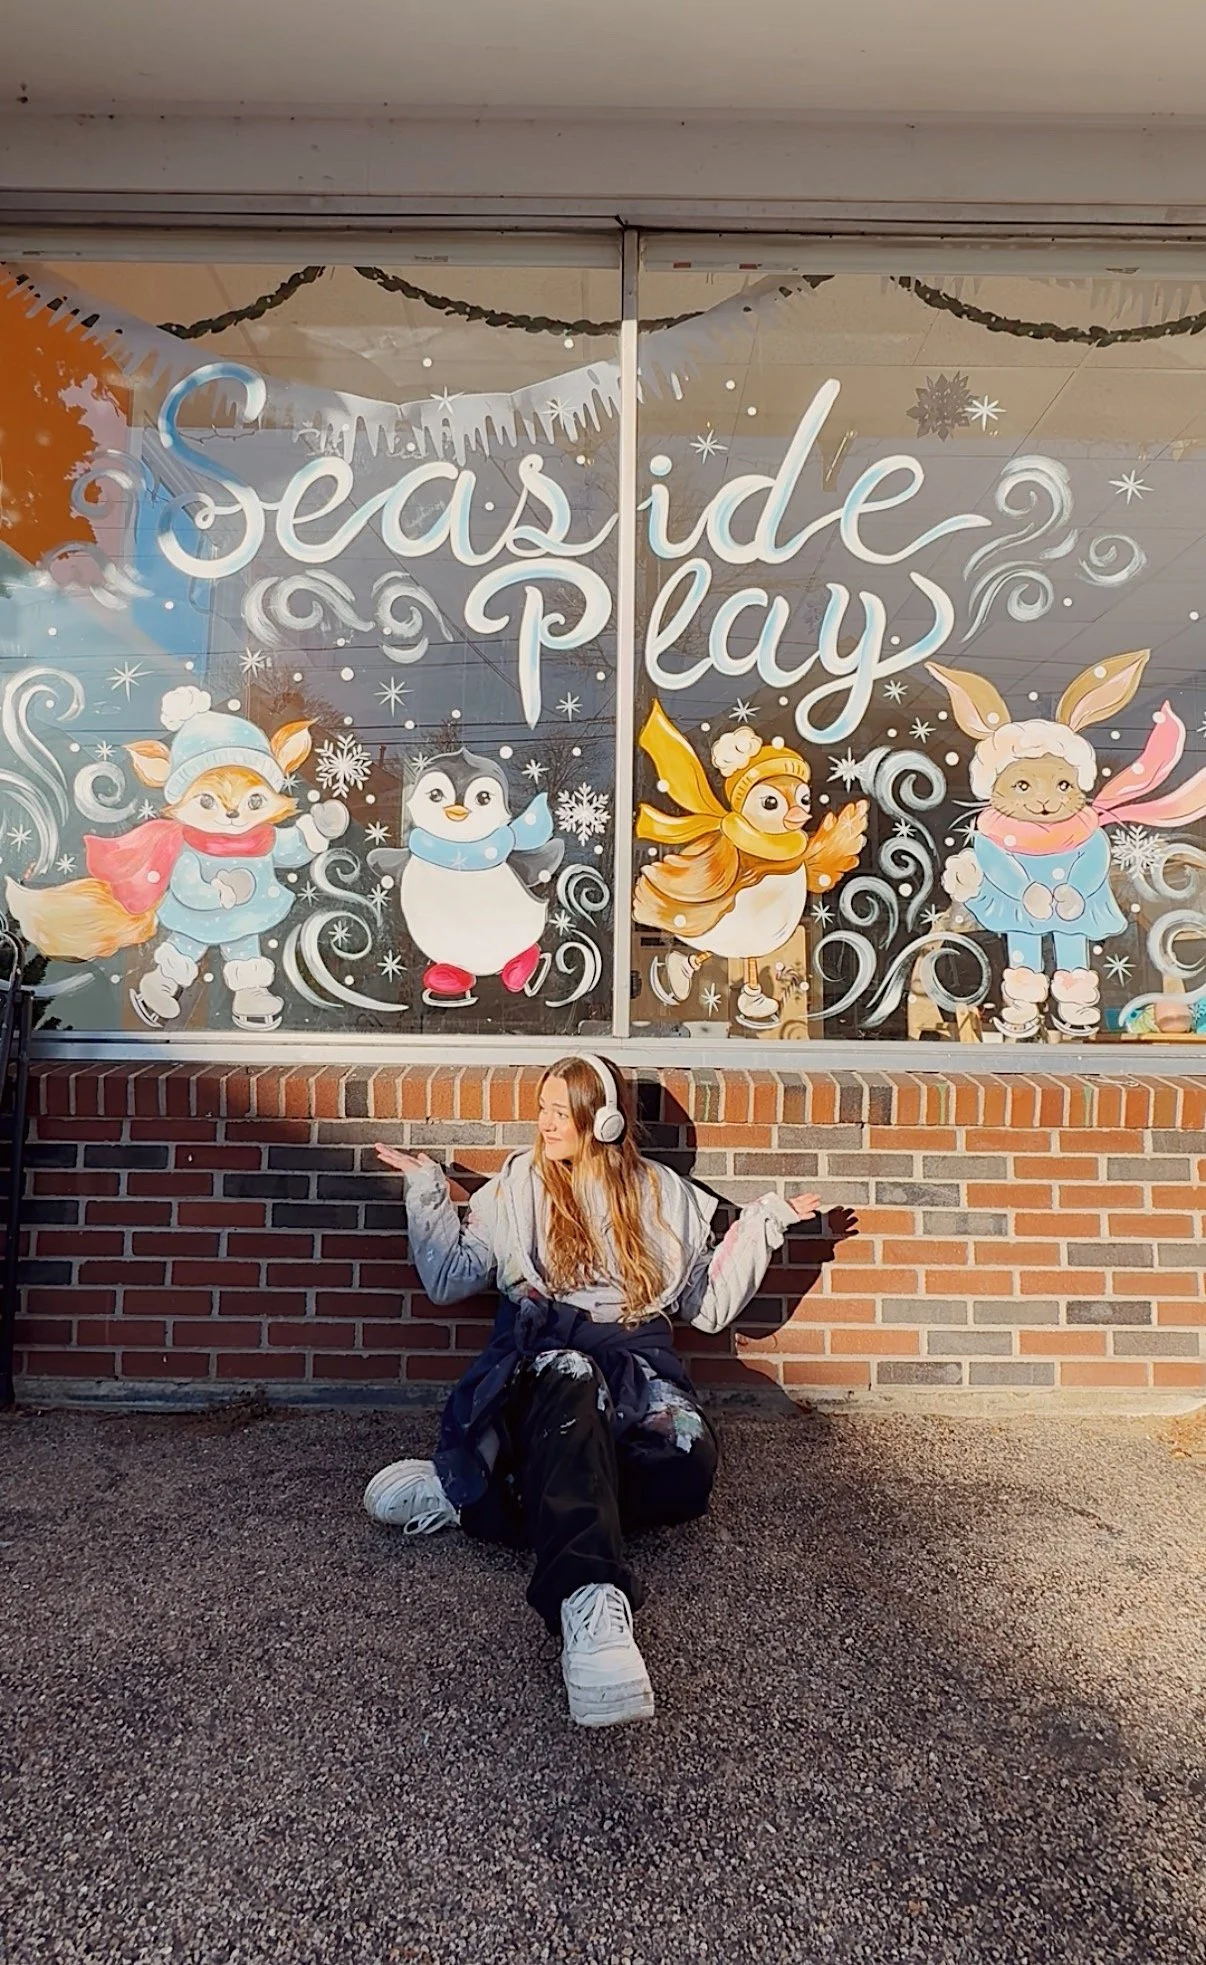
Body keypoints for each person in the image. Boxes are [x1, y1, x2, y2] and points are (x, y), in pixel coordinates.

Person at [365, 1054, 856, 1729]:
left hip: (634, 1364)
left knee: (688, 1465)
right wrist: (427, 1188)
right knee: (571, 1381)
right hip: (544, 1365)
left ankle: (470, 1490)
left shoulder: (662, 1196)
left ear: (607, 1118)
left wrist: (763, 1227)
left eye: (560, 1109)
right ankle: (590, 1601)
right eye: (541, 1107)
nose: (544, 1122)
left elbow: (706, 1308)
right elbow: (449, 1276)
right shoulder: (518, 1187)